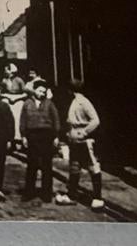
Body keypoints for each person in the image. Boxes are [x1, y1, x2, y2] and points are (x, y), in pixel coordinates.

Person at [56, 79, 104, 211]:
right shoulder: (73, 101)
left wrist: (84, 132)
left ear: (71, 90)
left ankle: (98, 198)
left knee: (93, 167)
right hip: (74, 141)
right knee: (74, 167)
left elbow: (95, 120)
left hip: (84, 141)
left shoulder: (84, 102)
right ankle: (72, 195)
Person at [19, 79, 60, 203]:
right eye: (40, 91)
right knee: (32, 165)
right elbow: (23, 120)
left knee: (47, 166)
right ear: (34, 91)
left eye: (44, 91)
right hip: (32, 136)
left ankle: (46, 193)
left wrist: (56, 136)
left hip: (46, 136)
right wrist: (23, 136)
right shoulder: (27, 103)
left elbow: (56, 120)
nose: (42, 93)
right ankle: (29, 193)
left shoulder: (49, 104)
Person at [2, 63, 28, 149]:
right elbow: (2, 92)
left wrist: (16, 98)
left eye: (7, 70)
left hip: (17, 100)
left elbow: (25, 93)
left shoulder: (19, 80)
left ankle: (18, 138)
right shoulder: (4, 81)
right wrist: (6, 96)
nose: (5, 72)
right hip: (8, 98)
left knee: (17, 118)